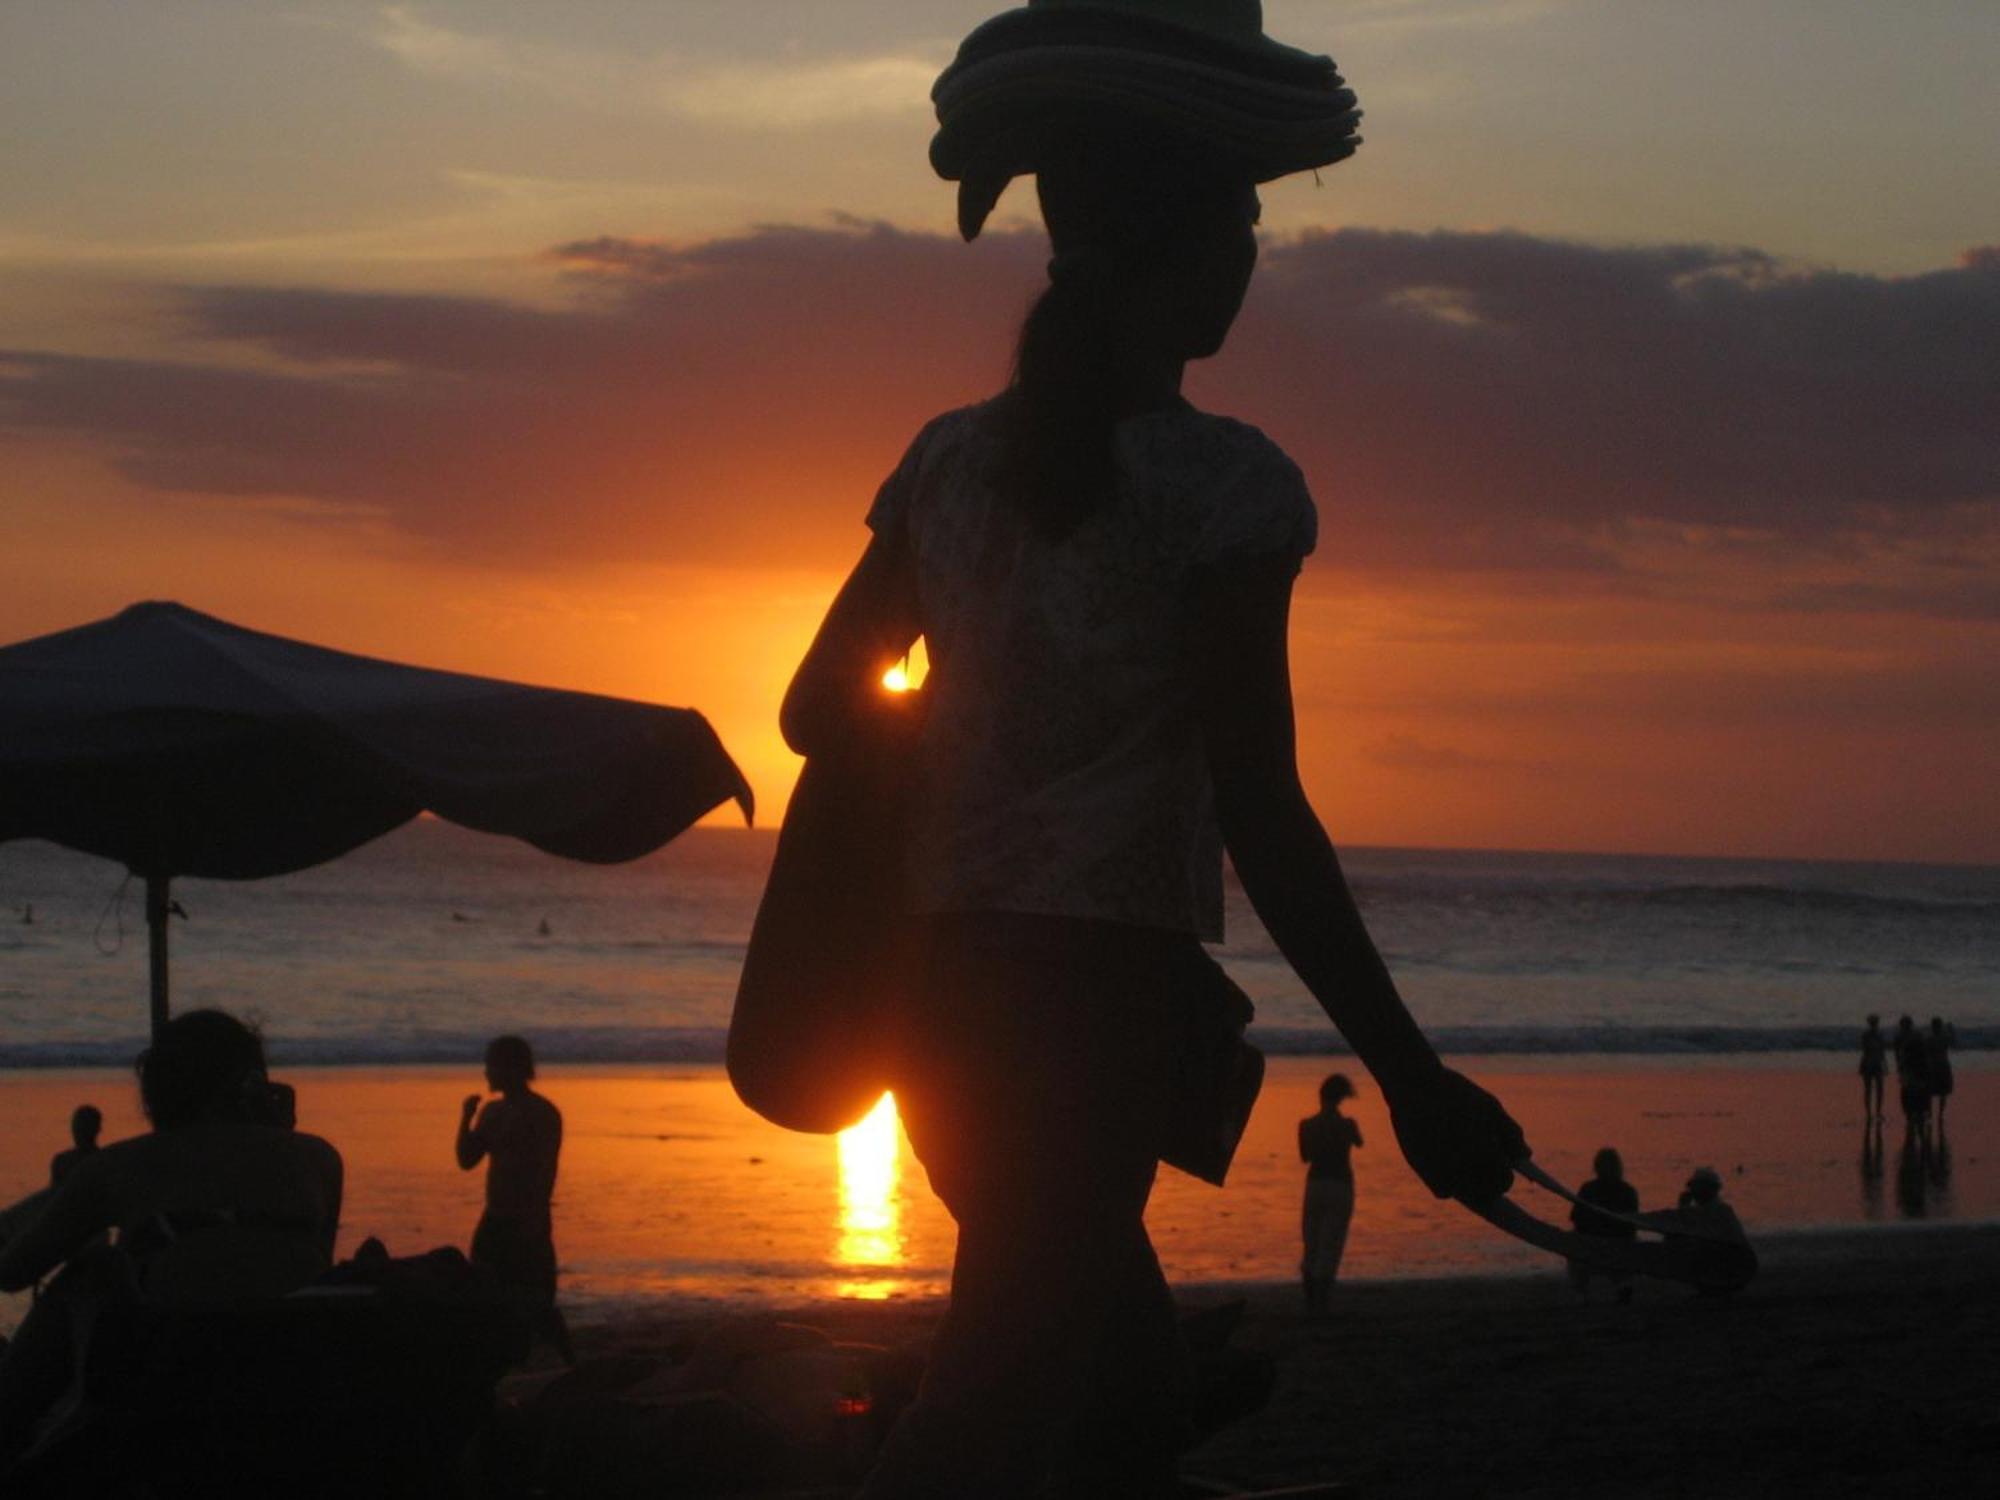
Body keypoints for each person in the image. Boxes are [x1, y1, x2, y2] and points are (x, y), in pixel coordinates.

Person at [781, 5, 1528, 1493]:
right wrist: (1410, 1074)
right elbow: (1260, 805)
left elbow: (814, 707)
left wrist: (971, 731)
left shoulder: (947, 459)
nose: (1255, 253)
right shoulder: (1231, 489)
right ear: (1182, 250)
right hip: (1093, 1012)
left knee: (1117, 1416)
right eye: (1243, 224)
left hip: (928, 1003)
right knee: (988, 1419)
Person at [0, 1010, 343, 1467]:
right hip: (289, 1378)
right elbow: (310, 1258)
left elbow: (13, 1272)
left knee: (87, 1274)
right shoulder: (320, 1160)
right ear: (253, 1084)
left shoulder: (115, 1168)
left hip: (165, 1381)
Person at [455, 1034, 572, 1364]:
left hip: (527, 1216)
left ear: (511, 1068)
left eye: (491, 1065)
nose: (486, 1073)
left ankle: (566, 1361)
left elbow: (544, 1170)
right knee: (485, 1291)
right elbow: (466, 1159)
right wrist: (466, 1117)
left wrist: (534, 1218)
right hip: (494, 1216)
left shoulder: (542, 1113)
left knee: (537, 1300)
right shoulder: (492, 1112)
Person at [1297, 1073, 1363, 1312]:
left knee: (1311, 1242)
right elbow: (1359, 1142)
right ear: (1341, 1098)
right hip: (1341, 1184)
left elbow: (1305, 1157)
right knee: (1331, 1244)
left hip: (1315, 1184)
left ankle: (1310, 1302)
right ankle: (1322, 1302)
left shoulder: (1306, 1125)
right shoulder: (1347, 1125)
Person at [1567, 1147, 1640, 1302]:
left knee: (1573, 1242)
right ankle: (1623, 1283)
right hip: (1619, 1245)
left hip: (1594, 1245)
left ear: (1596, 1167)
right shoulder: (1628, 1191)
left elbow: (1576, 1219)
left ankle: (1581, 1291)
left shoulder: (1588, 1189)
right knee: (1630, 1243)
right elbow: (1632, 1226)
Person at [1893, 1014, 1931, 1143]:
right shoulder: (1915, 1036)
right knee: (1915, 1093)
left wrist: (1900, 1065)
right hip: (1913, 1070)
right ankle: (1916, 1114)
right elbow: (1898, 1053)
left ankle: (1912, 1115)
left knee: (1909, 1093)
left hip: (1911, 1069)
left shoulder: (1907, 1037)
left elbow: (1898, 1054)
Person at [47, 1105, 102, 1188]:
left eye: (80, 1127)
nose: (76, 1131)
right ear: (98, 1129)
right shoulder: (105, 1160)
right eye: (76, 1126)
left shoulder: (62, 1162)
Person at [1925, 1016, 1956, 1130]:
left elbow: (1924, 1052)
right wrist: (1951, 1031)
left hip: (1933, 1066)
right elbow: (1954, 1043)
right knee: (1942, 1092)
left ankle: (1930, 1113)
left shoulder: (1929, 1039)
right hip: (1942, 1065)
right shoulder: (1943, 1038)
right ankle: (1940, 1114)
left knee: (1931, 1092)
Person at [1857, 1014, 1887, 1121]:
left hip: (1874, 1063)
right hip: (1870, 1063)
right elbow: (1866, 1051)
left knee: (1878, 1089)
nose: (1874, 1025)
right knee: (1870, 1089)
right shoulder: (1867, 1035)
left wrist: (1885, 1065)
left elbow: (1882, 1052)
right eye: (1873, 1023)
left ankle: (1877, 1112)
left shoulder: (1877, 1035)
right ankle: (1870, 1113)